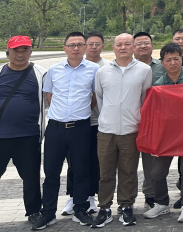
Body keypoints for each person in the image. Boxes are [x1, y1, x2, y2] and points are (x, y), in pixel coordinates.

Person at [32, 32, 99, 229]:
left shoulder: (94, 70)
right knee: (51, 172)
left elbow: (94, 97)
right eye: (71, 45)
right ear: (64, 48)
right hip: (56, 128)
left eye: (79, 44)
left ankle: (80, 209)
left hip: (81, 128)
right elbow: (49, 96)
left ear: (85, 47)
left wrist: (80, 112)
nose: (75, 48)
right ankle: (48, 212)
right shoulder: (54, 70)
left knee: (81, 171)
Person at [0, 36, 48, 227]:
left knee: (31, 177)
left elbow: (47, 101)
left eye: (25, 50)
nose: (20, 54)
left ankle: (33, 211)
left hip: (28, 136)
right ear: (8, 52)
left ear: (31, 52)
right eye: (16, 50)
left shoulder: (41, 74)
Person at [91, 33, 153, 228]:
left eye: (127, 44)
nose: (123, 47)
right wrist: (108, 118)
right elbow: (100, 98)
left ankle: (126, 206)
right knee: (105, 172)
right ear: (114, 48)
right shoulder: (102, 72)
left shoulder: (144, 70)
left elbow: (144, 98)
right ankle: (104, 208)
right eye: (119, 44)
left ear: (133, 47)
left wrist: (135, 119)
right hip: (106, 130)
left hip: (131, 129)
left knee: (128, 171)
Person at [143, 43, 183, 223]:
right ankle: (162, 203)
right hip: (166, 135)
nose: (173, 63)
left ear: (182, 59)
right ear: (162, 63)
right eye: (168, 60)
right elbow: (156, 113)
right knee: (157, 173)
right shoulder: (158, 84)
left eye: (176, 59)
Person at [61, 31, 108, 217]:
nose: (94, 47)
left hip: (96, 121)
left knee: (93, 160)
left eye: (98, 44)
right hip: (76, 123)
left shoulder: (106, 67)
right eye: (90, 44)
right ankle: (73, 196)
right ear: (85, 46)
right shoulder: (74, 66)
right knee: (74, 162)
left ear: (103, 46)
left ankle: (90, 196)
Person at [133, 32, 163, 210]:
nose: (143, 46)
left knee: (151, 162)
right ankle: (127, 198)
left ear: (152, 46)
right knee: (128, 162)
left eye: (146, 43)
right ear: (133, 47)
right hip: (130, 119)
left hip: (153, 121)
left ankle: (151, 195)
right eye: (139, 43)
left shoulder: (161, 66)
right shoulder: (125, 66)